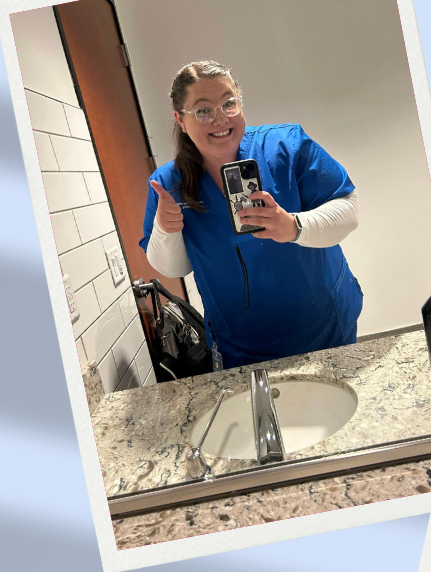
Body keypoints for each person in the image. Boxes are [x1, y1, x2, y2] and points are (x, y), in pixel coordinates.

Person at [140, 61, 363, 369]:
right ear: (180, 119)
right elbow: (174, 267)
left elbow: (348, 209)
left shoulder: (286, 146)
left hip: (323, 328)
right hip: (240, 345)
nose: (220, 119)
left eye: (229, 103)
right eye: (203, 110)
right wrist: (166, 230)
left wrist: (295, 226)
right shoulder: (168, 184)